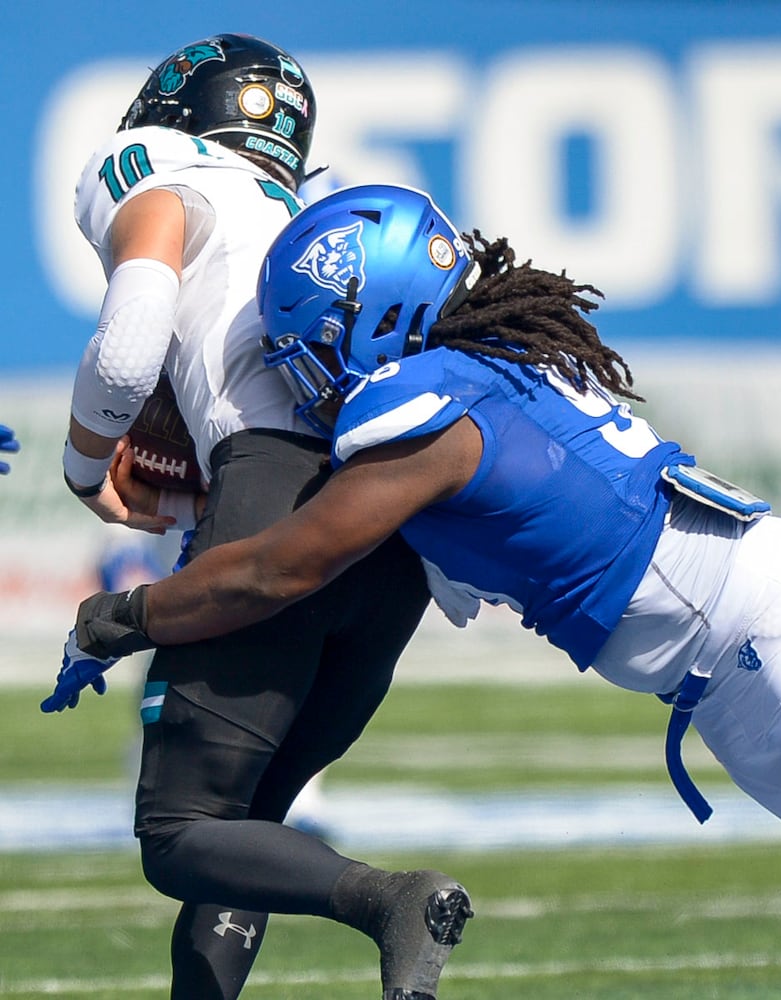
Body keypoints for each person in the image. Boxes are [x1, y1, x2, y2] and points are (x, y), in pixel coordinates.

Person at [53, 182, 781, 1000]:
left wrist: (130, 614)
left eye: (314, 333)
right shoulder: (486, 365)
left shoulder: (411, 406)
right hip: (736, 653)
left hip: (761, 634)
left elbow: (284, 565)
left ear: (373, 316)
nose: (301, 365)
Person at [48, 42, 470, 1000]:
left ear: (174, 105)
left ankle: (388, 899)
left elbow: (127, 349)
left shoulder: (155, 165)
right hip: (388, 519)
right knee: (247, 828)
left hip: (271, 492)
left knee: (180, 834)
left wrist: (84, 466)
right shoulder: (310, 211)